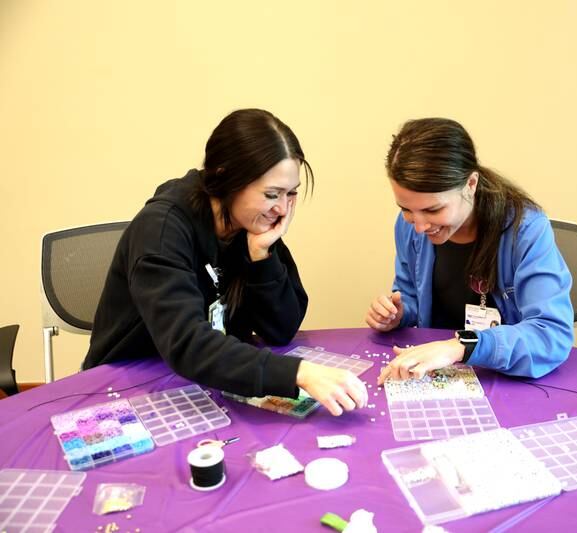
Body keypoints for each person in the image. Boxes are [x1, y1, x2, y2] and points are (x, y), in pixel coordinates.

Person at [84, 108, 366, 416]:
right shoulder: (162, 229)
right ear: (224, 177)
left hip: (206, 381)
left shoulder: (250, 225)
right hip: (128, 386)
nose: (283, 209)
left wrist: (262, 255)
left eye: (291, 194)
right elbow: (188, 344)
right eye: (272, 194)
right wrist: (298, 373)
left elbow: (281, 329)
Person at [365, 118, 574, 384]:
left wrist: (460, 347)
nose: (418, 226)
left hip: (504, 378)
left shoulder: (526, 230)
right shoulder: (408, 227)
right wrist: (397, 314)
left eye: (433, 210)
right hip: (439, 373)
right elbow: (411, 298)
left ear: (471, 184)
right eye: (405, 209)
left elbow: (551, 334)